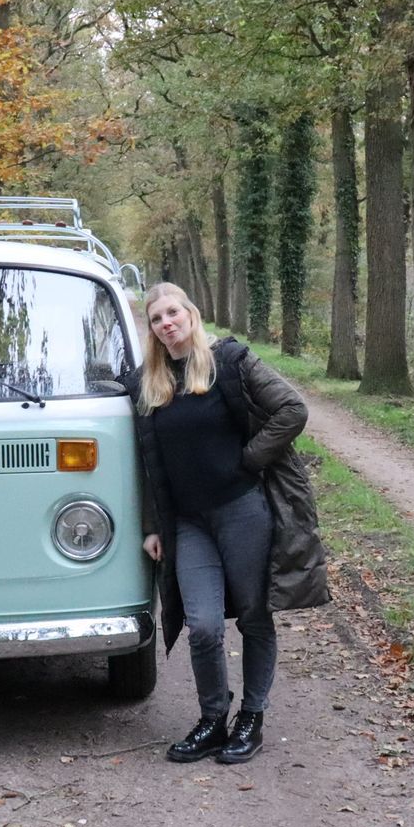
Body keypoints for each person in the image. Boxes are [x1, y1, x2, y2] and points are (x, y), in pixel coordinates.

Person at [128, 283, 329, 764]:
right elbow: (147, 460)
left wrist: (249, 460)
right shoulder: (149, 382)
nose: (167, 323)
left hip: (241, 510)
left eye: (173, 313)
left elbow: (292, 410)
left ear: (191, 314)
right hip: (189, 524)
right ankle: (213, 720)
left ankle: (251, 719)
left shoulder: (230, 361)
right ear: (152, 330)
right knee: (201, 625)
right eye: (157, 319)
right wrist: (153, 525)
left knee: (256, 617)